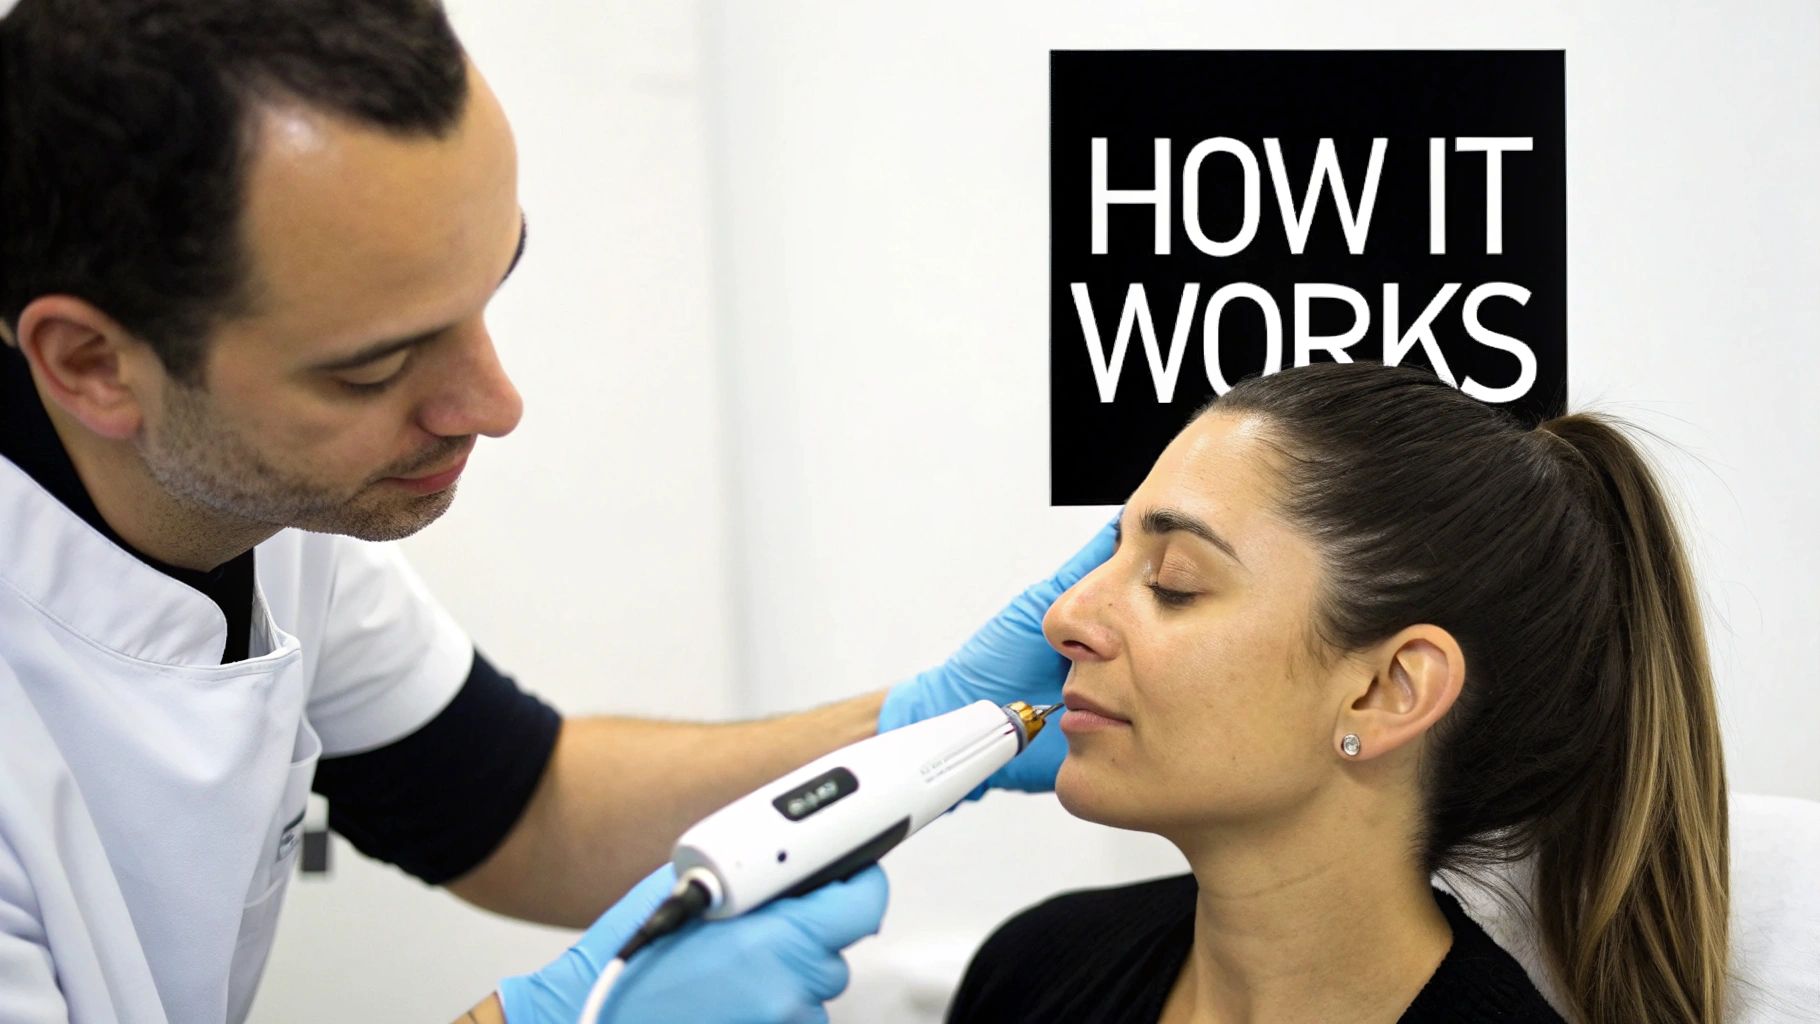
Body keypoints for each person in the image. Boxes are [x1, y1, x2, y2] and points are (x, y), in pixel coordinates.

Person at [0, 1, 1111, 1021]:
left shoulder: (245, 508)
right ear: (93, 364)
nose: (493, 404)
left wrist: (933, 723)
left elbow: (523, 806)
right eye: (376, 366)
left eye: (492, 289)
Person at [949, 362, 1730, 1024]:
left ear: (1387, 690)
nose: (1063, 617)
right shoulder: (1033, 973)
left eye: (1173, 581)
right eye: (1114, 553)